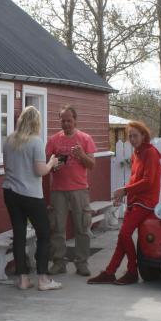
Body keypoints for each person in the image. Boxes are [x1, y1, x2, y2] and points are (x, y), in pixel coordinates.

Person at [88, 120, 161, 285]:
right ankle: (110, 272)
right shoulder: (136, 153)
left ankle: (132, 271)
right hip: (135, 201)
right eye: (130, 136)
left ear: (144, 136)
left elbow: (148, 182)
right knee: (123, 238)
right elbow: (134, 179)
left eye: (135, 135)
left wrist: (125, 191)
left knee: (124, 234)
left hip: (146, 203)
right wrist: (124, 194)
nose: (132, 139)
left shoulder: (151, 153)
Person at [3, 106, 62, 291]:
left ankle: (23, 279)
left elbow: (6, 167)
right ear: (37, 122)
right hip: (30, 194)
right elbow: (40, 171)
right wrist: (51, 162)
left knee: (19, 234)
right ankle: (43, 279)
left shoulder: (9, 140)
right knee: (44, 233)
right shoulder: (36, 142)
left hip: (10, 192)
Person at [45, 105, 97, 276]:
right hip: (58, 190)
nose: (66, 123)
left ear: (75, 120)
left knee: (82, 227)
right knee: (57, 228)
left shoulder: (85, 138)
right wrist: (55, 166)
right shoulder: (53, 140)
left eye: (69, 120)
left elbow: (91, 165)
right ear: (59, 120)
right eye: (63, 120)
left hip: (80, 190)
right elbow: (47, 167)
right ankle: (59, 262)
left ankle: (82, 263)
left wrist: (81, 155)